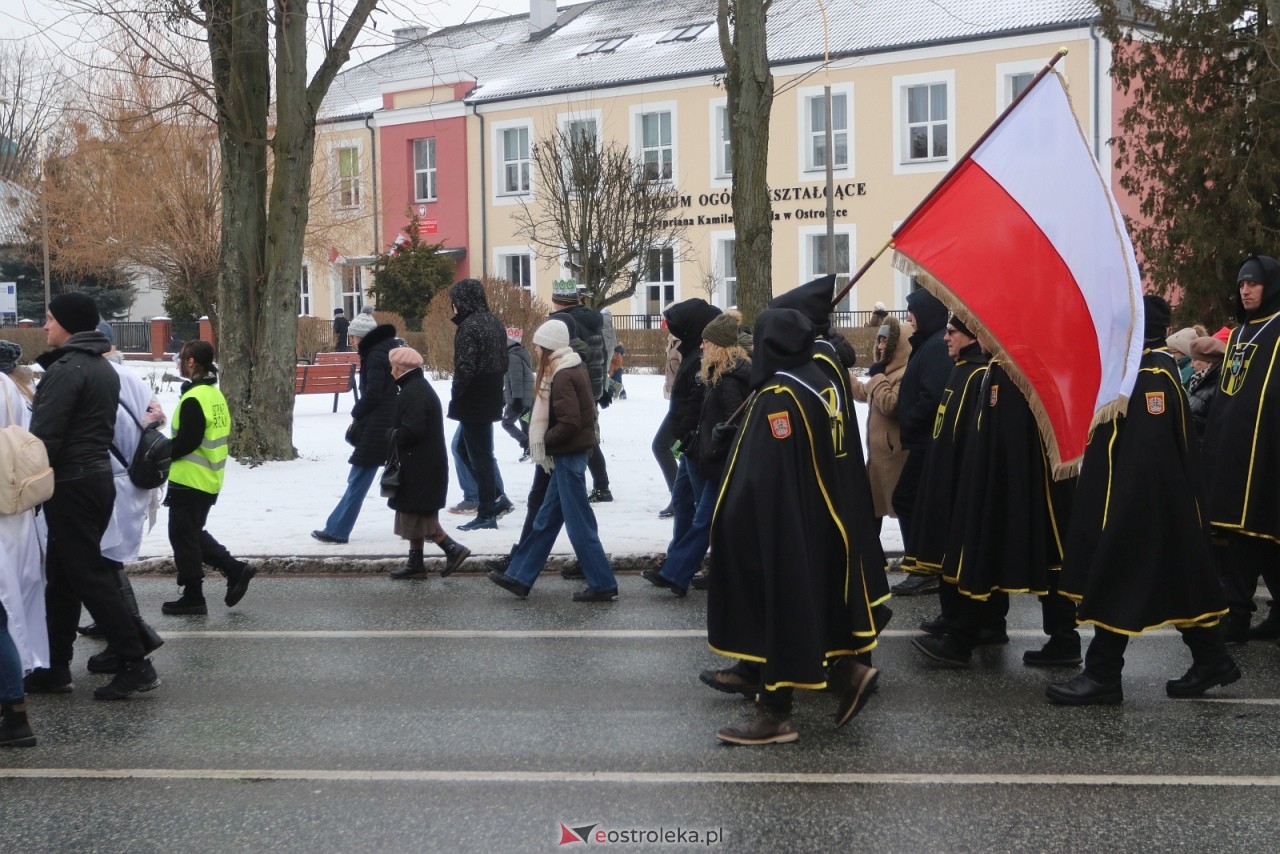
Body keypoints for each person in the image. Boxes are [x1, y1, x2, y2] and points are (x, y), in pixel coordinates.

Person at [1050, 295, 1239, 705]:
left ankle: (1102, 674)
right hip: (1150, 501)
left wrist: (1123, 505)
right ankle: (1212, 659)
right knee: (1181, 581)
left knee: (1120, 579)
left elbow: (1148, 452)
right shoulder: (1135, 369)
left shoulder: (1151, 373)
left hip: (1143, 502)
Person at [706, 309, 879, 745]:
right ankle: (848, 669)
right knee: (806, 608)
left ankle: (775, 715)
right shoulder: (819, 380)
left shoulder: (780, 394)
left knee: (779, 612)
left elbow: (766, 472)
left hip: (787, 519)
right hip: (823, 513)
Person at [25, 293, 159, 701]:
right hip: (92, 480)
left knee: (88, 576)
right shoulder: (100, 366)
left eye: (50, 319)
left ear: (68, 324)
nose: (45, 326)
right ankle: (55, 667)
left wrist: (27, 481)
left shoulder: (67, 370)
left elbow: (45, 436)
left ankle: (137, 664)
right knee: (63, 579)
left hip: (72, 484)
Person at [913, 347, 1080, 668]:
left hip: (1029, 482)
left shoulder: (1015, 368)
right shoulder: (1007, 366)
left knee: (1002, 556)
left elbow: (1013, 434)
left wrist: (995, 480)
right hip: (1026, 481)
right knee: (1044, 560)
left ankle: (965, 641)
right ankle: (1055, 638)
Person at [488, 318, 618, 602]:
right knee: (546, 520)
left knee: (578, 525)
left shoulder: (562, 375)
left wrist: (542, 441)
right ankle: (519, 577)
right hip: (568, 455)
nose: (534, 348)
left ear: (549, 347)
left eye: (538, 344)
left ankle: (603, 584)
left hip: (568, 456)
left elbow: (570, 423)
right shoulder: (569, 367)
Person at [643, 311, 750, 596]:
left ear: (718, 345)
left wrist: (715, 446)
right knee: (705, 519)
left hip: (720, 464)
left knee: (705, 521)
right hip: (708, 457)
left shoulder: (728, 380)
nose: (701, 346)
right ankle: (683, 573)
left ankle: (677, 574)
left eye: (706, 342)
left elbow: (734, 425)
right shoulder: (716, 374)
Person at [1203, 256, 1280, 643]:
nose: (1246, 290)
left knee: (1265, 536)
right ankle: (1236, 614)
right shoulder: (1237, 334)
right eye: (1241, 284)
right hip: (1232, 452)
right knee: (1239, 538)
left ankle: (1252, 615)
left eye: (1253, 283)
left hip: (1267, 453)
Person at [897, 316, 989, 633]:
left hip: (960, 478)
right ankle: (953, 619)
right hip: (943, 471)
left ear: (972, 337)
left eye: (952, 333)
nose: (946, 338)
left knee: (958, 553)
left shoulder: (977, 374)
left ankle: (968, 627)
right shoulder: (962, 369)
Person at [84, 360, 169, 675]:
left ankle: (130, 638)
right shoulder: (131, 377)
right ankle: (123, 633)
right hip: (131, 475)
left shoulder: (89, 376)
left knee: (103, 565)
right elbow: (157, 416)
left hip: (109, 478)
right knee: (108, 563)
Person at [162, 340, 256, 617]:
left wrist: (160, 452)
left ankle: (194, 596)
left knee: (183, 536)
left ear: (191, 362)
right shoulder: (214, 395)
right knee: (189, 534)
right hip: (209, 478)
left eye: (181, 358)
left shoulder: (194, 398)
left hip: (190, 478)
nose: (179, 362)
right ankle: (234, 570)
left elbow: (187, 442)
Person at [311, 312, 400, 544]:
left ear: (360, 336)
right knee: (395, 478)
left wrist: (356, 413)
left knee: (358, 478)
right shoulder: (387, 350)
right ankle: (421, 527)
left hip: (376, 424)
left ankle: (337, 530)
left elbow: (373, 393)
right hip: (389, 420)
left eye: (353, 336)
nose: (351, 340)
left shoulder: (374, 355)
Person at [384, 347, 471, 579]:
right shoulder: (416, 388)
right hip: (422, 464)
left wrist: (391, 434)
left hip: (419, 466)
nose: (390, 372)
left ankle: (453, 549)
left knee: (418, 517)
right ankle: (416, 564)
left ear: (398, 368)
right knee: (414, 513)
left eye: (392, 367)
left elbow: (412, 431)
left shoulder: (413, 393)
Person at [890, 288, 953, 595]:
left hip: (929, 442)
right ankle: (926, 566)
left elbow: (935, 395)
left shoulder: (936, 346)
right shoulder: (930, 342)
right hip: (924, 441)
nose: (908, 318)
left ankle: (924, 567)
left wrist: (911, 418)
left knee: (907, 498)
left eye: (912, 311)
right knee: (912, 500)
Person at [0, 341, 45, 745]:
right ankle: (14, 711)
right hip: (14, 510)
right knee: (9, 607)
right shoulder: (10, 387)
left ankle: (15, 716)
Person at [448, 278, 513, 531]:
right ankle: (497, 498)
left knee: (479, 456)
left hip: (473, 397)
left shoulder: (469, 326)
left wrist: (457, 393)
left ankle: (487, 513)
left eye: (455, 301)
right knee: (465, 449)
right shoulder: (494, 322)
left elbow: (465, 366)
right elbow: (505, 360)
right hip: (492, 392)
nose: (453, 306)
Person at [658, 298, 723, 551]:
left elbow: (696, 403)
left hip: (694, 440)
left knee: (701, 506)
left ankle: (694, 563)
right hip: (689, 442)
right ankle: (677, 558)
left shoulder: (700, 357)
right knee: (684, 500)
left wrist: (683, 433)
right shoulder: (692, 352)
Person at [550, 280, 613, 503]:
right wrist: (602, 384)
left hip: (572, 385)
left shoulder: (563, 323)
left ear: (558, 301)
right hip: (591, 385)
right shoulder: (594, 319)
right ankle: (601, 485)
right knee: (588, 436)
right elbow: (603, 353)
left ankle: (597, 487)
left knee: (578, 438)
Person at [848, 314, 912, 534]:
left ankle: (913, 556)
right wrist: (842, 371)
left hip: (894, 458)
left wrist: (877, 379)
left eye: (886, 340)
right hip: (879, 459)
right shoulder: (885, 373)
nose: (881, 345)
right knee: (871, 510)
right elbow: (862, 392)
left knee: (901, 510)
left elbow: (890, 404)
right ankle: (873, 558)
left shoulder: (903, 374)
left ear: (898, 345)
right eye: (880, 340)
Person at [652, 330, 683, 517]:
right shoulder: (674, 341)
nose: (666, 324)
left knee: (661, 446)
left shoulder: (686, 345)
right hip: (677, 403)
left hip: (684, 406)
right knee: (674, 449)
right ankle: (682, 496)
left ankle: (680, 497)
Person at [500, 327, 534, 462]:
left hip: (520, 398)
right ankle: (531, 450)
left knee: (507, 423)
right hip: (527, 397)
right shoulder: (519, 354)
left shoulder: (513, 357)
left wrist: (517, 399)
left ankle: (527, 445)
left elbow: (516, 381)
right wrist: (504, 398)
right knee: (525, 424)